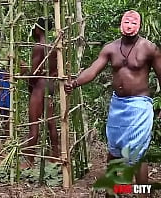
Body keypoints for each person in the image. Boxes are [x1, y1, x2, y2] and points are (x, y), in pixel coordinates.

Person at [65, 10, 161, 186]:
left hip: (139, 105)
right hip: (118, 105)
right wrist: (75, 82)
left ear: (139, 25)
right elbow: (93, 70)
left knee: (137, 154)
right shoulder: (110, 48)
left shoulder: (149, 48)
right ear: (121, 24)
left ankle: (142, 194)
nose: (130, 25)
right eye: (127, 21)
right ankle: (112, 192)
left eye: (134, 22)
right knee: (114, 151)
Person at [22, 17, 59, 168]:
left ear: (38, 29)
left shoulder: (38, 47)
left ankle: (29, 160)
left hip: (39, 87)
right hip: (50, 85)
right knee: (50, 122)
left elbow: (35, 74)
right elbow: (54, 71)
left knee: (34, 123)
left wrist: (25, 72)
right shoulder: (54, 47)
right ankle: (55, 154)